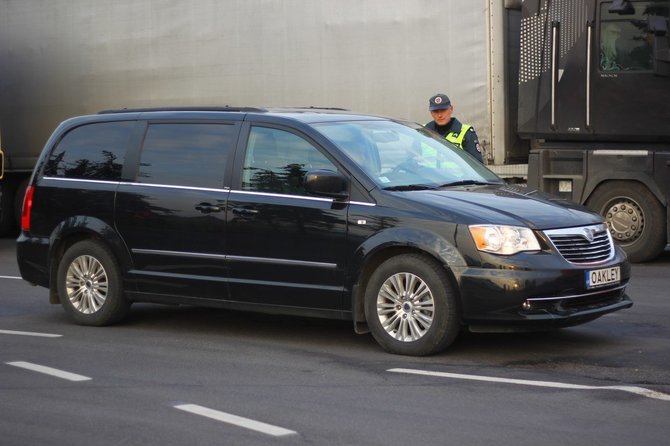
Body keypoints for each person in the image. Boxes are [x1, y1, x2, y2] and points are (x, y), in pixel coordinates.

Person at [425, 93, 484, 163]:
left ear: (451, 109)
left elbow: (477, 165)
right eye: (435, 111)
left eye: (443, 110)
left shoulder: (465, 133)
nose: (440, 115)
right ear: (431, 113)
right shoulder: (423, 132)